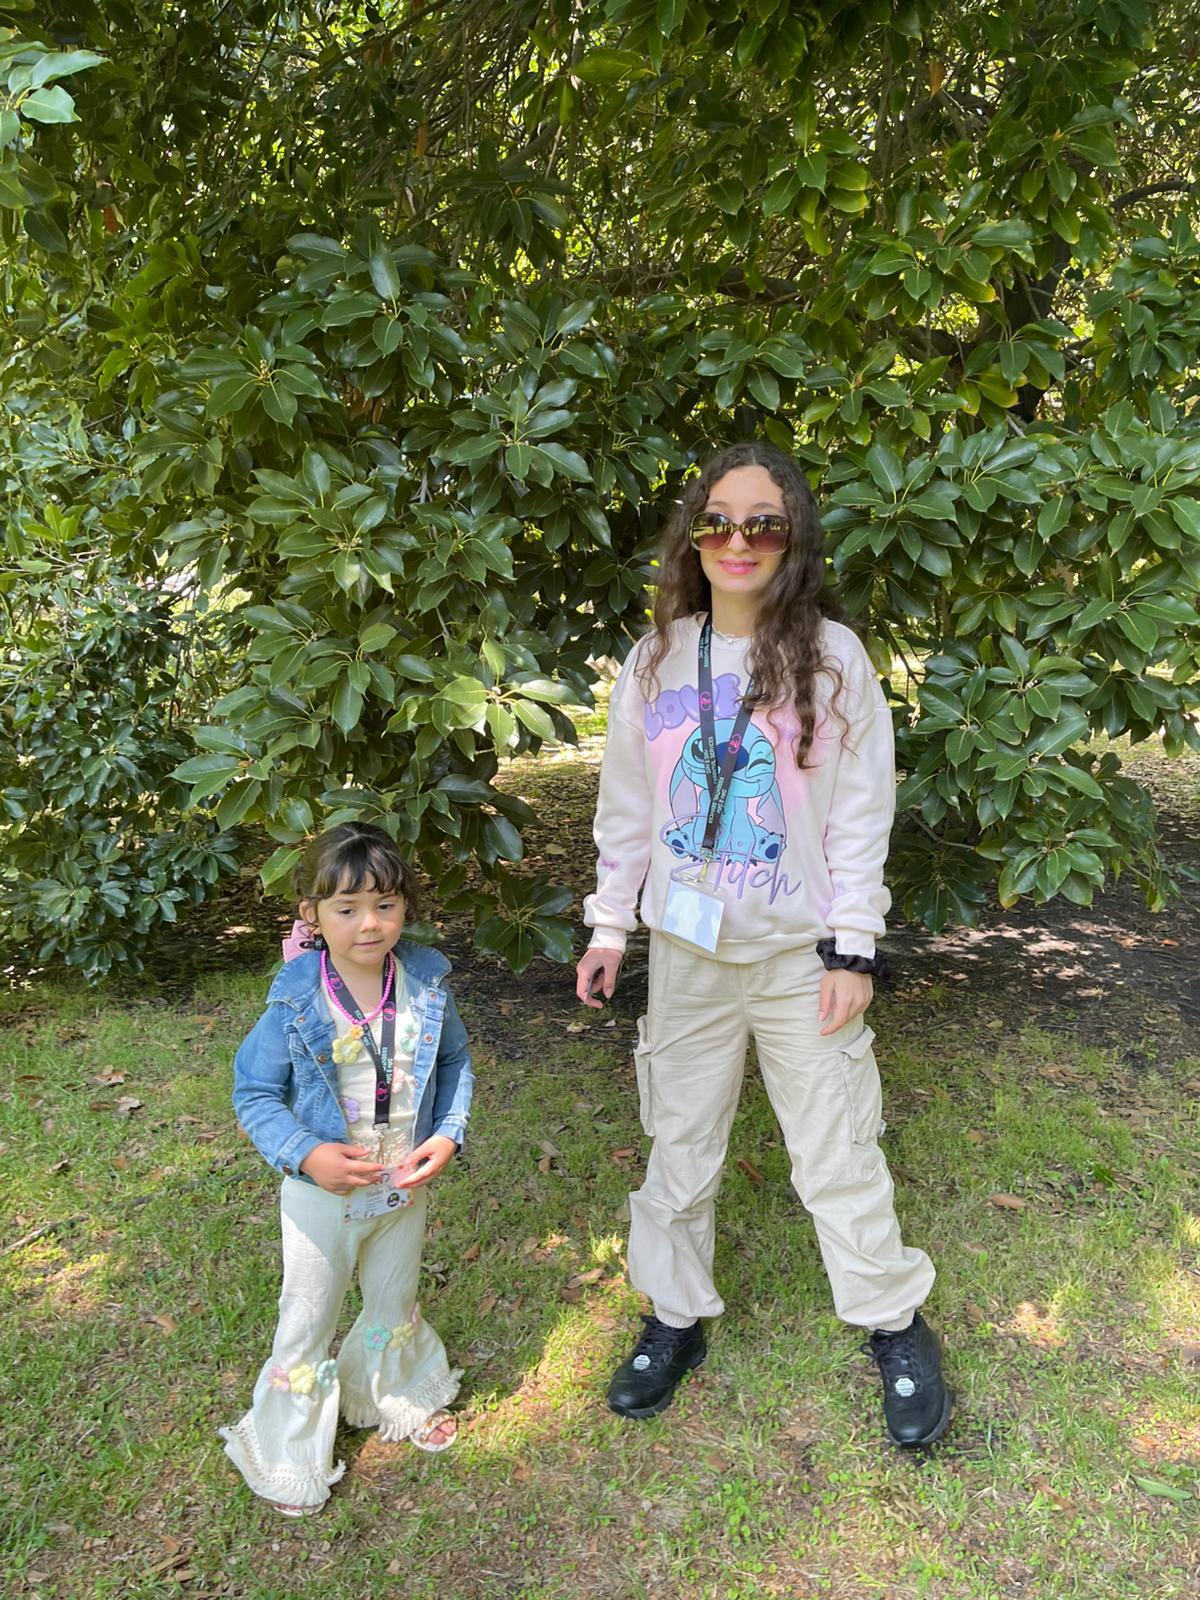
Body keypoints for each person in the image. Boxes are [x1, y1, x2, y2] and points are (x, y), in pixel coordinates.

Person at [575, 440, 950, 1448]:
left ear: (794, 538)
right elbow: (627, 806)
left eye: (763, 524)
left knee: (837, 1147)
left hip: (798, 958)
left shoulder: (834, 658)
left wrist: (854, 949)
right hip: (687, 955)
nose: (737, 541)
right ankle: (673, 1315)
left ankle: (892, 1322)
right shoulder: (656, 658)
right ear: (691, 536)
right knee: (680, 1143)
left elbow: (861, 815)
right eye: (718, 521)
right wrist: (610, 924)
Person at [219, 822, 473, 1514]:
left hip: (403, 1190)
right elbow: (254, 1092)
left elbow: (454, 1061)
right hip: (321, 1200)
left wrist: (447, 1135)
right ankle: (286, 1450)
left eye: (385, 904)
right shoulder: (296, 1000)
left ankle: (390, 1392)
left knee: (392, 1299)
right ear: (312, 914)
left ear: (406, 906)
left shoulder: (426, 984)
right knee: (308, 1318)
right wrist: (306, 1153)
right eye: (347, 907)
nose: (370, 923)